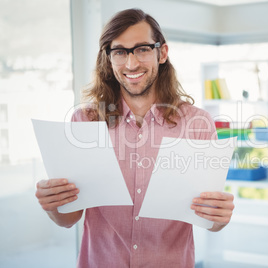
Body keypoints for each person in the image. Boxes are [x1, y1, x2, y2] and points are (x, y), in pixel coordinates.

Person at [35, 8, 234, 268]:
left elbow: (211, 221)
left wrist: (220, 216)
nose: (131, 64)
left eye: (142, 49)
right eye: (119, 52)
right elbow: (69, 218)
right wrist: (53, 205)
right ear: (108, 58)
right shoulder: (85, 121)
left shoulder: (197, 124)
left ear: (161, 53)